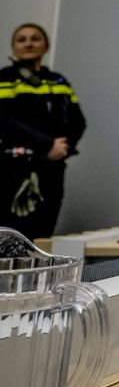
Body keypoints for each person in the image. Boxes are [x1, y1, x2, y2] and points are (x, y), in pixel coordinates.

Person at [0, 24, 87, 239]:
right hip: (12, 169)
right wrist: (46, 145)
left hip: (51, 169)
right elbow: (3, 121)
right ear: (13, 47)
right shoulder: (4, 79)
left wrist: (62, 147)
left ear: (46, 46)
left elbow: (78, 122)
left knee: (43, 234)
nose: (29, 43)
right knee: (11, 237)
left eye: (35, 38)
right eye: (21, 39)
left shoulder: (59, 81)